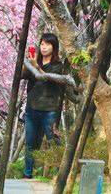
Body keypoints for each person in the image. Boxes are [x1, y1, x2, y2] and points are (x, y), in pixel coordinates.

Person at [22, 32, 76, 179]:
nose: (44, 47)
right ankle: (28, 173)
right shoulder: (35, 62)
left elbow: (46, 78)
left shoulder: (58, 66)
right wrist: (28, 63)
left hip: (49, 110)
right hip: (32, 109)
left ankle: (60, 173)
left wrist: (36, 67)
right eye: (42, 44)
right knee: (30, 143)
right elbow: (22, 75)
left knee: (54, 141)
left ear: (54, 47)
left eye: (48, 44)